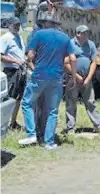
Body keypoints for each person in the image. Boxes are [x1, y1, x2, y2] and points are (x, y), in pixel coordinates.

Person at [18, 14, 77, 150]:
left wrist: (32, 66)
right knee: (52, 111)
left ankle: (31, 134)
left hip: (39, 75)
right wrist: (73, 77)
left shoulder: (38, 34)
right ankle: (49, 142)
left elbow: (30, 56)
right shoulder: (65, 37)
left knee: (27, 103)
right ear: (57, 24)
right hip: (57, 78)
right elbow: (73, 58)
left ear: (45, 23)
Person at [63, 25, 100, 134]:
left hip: (87, 77)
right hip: (72, 78)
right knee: (71, 102)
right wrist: (76, 76)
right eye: (84, 33)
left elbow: (94, 62)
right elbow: (65, 62)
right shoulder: (70, 44)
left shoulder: (91, 44)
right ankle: (70, 127)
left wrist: (88, 78)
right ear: (78, 34)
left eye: (87, 33)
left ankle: (98, 125)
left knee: (90, 102)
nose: (86, 35)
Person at [0, 17, 26, 130]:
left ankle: (13, 122)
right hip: (11, 72)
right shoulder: (5, 38)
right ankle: (4, 123)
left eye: (18, 24)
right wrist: (15, 61)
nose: (17, 27)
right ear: (9, 25)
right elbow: (1, 56)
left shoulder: (19, 37)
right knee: (9, 98)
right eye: (15, 25)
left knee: (18, 98)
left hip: (20, 71)